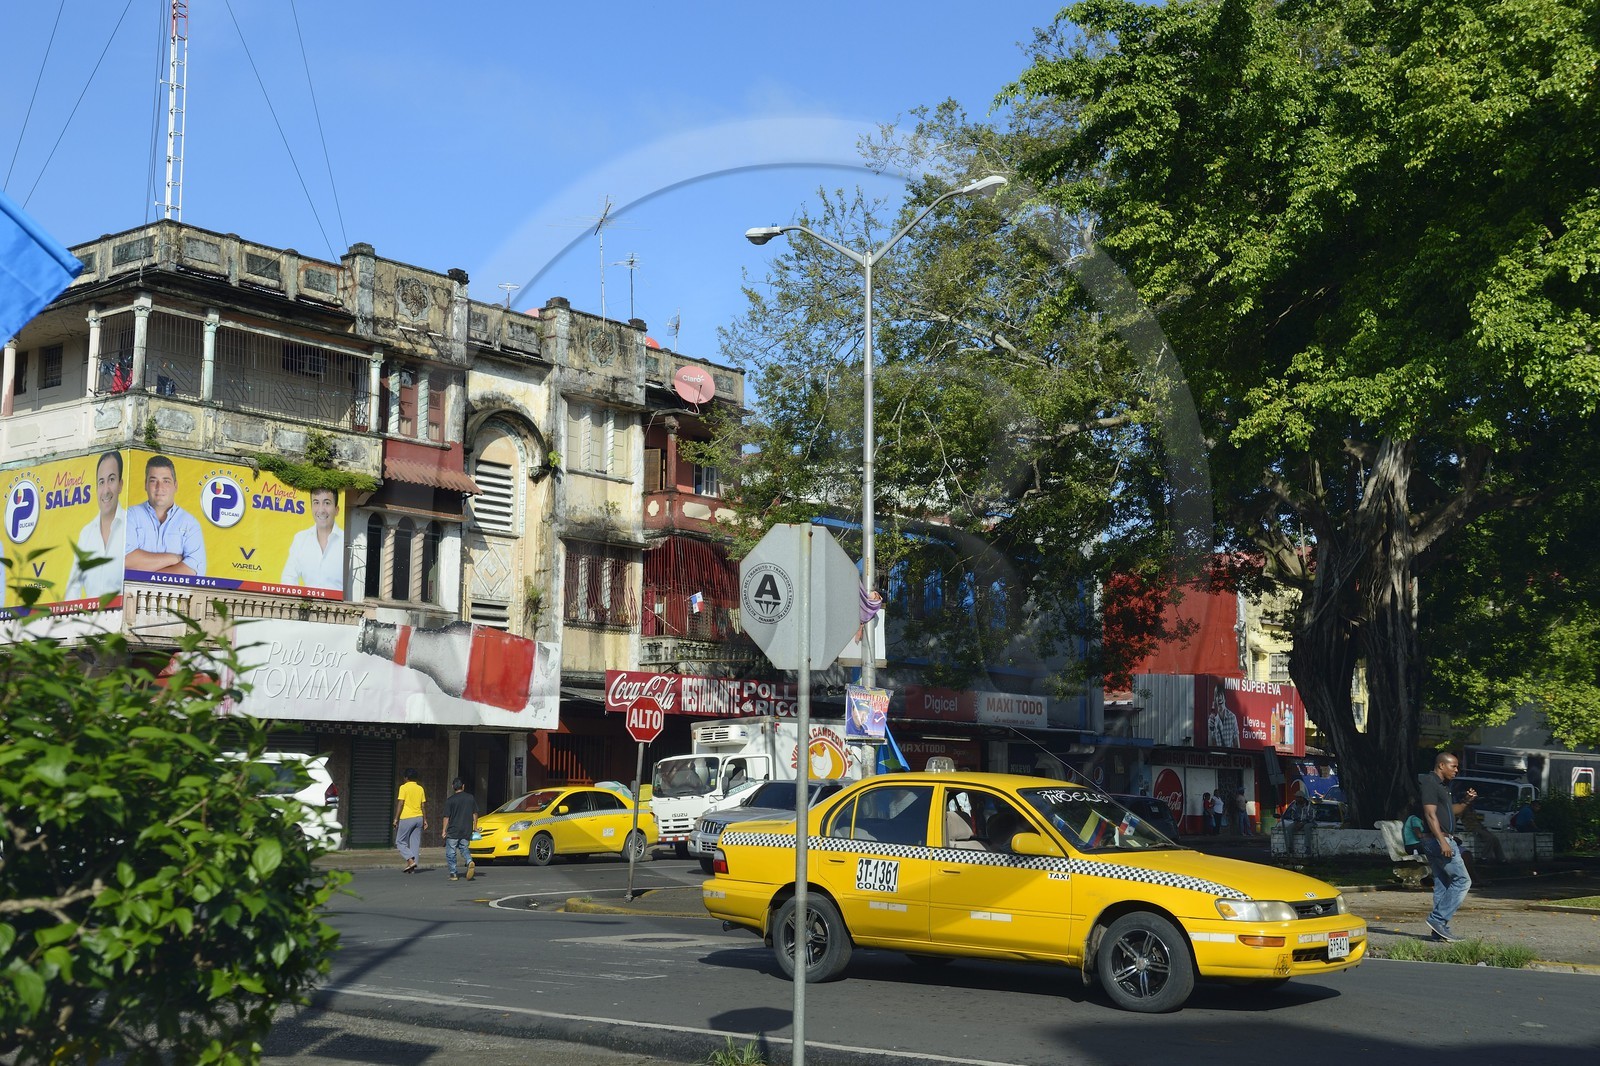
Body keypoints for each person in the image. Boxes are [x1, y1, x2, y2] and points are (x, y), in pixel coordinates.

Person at [1419, 751, 1476, 942]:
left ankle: (1438, 931)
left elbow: (1451, 812)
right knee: (1462, 881)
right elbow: (1429, 814)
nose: (1457, 770)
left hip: (1440, 839)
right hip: (1438, 840)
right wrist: (1443, 841)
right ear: (1441, 765)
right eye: (1454, 766)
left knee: (1443, 884)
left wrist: (1466, 802)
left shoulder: (1443, 787)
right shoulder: (1430, 782)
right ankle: (1437, 919)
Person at [124, 454, 205, 576]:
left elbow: (193, 570)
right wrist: (174, 559)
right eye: (153, 481)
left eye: (166, 481)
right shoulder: (130, 515)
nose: (159, 487)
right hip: (131, 595)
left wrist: (144, 572)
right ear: (145, 485)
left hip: (177, 595)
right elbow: (125, 561)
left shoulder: (190, 523)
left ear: (175, 486)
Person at [65, 451, 127, 600]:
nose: (105, 490)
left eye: (111, 480)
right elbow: (73, 587)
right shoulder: (86, 534)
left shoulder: (132, 527)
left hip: (124, 620)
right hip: (90, 621)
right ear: (96, 488)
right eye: (101, 482)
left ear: (120, 485)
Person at [281, 487, 346, 591]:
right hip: (306, 604)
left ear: (337, 510)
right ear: (311, 507)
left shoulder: (346, 541)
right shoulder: (301, 539)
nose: (321, 510)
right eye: (316, 503)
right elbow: (288, 578)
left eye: (327, 503)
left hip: (338, 606)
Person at [441, 777, 477, 882]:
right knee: (464, 848)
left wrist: (444, 830)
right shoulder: (470, 798)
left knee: (451, 852)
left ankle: (453, 873)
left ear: (453, 787)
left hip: (453, 830)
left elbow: (446, 817)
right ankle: (469, 860)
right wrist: (475, 826)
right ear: (463, 786)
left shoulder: (450, 800)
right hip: (466, 829)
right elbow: (475, 813)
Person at [393, 768, 428, 874]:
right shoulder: (420, 788)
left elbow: (401, 803)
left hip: (407, 817)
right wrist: (425, 820)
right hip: (419, 818)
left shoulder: (403, 787)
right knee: (415, 843)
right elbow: (423, 806)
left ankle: (410, 860)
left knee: (399, 842)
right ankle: (412, 867)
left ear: (406, 778)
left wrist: (396, 818)